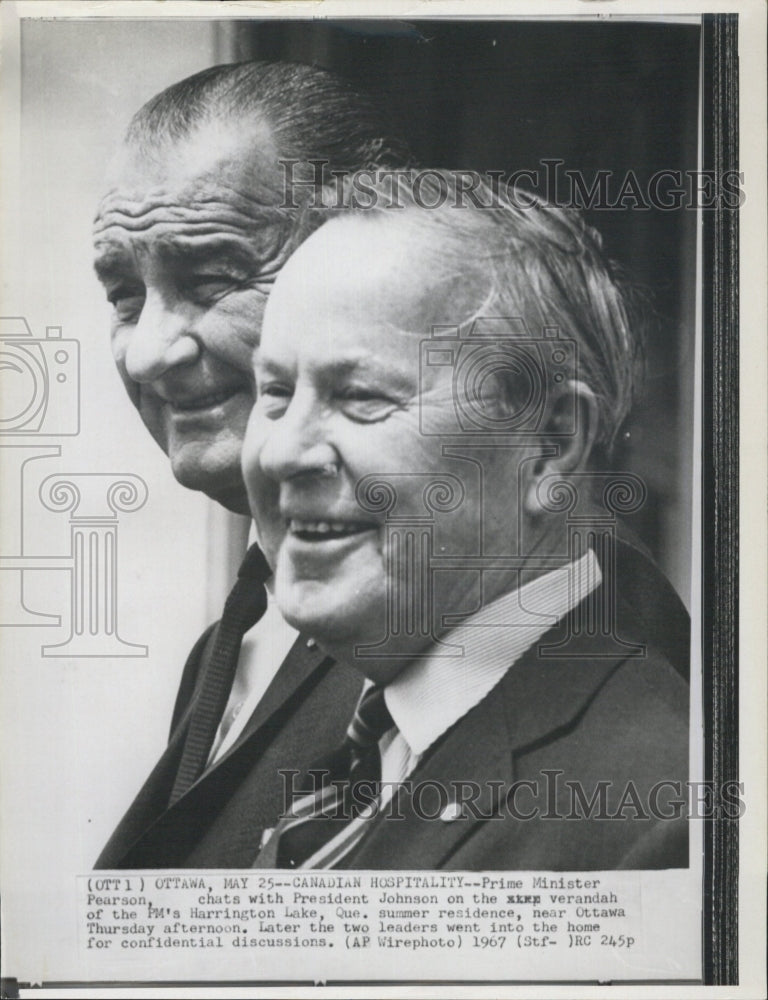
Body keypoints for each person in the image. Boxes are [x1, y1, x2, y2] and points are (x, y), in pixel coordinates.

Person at [244, 171, 690, 870]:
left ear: (550, 445)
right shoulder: (314, 719)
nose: (281, 452)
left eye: (359, 396)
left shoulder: (658, 821)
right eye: (274, 391)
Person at [92, 61, 411, 868]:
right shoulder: (234, 640)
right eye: (125, 295)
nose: (150, 354)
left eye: (211, 279)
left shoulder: (511, 617)